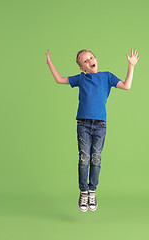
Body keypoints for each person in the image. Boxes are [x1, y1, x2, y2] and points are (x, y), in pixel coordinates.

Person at [45, 49, 140, 212]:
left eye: (90, 57)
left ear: (96, 58)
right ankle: (83, 191)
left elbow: (127, 86)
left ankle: (92, 191)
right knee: (84, 158)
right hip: (83, 124)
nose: (89, 61)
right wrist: (49, 63)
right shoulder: (81, 79)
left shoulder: (107, 76)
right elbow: (59, 79)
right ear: (82, 68)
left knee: (96, 158)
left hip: (100, 125)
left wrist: (131, 66)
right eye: (85, 61)